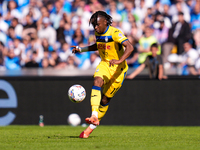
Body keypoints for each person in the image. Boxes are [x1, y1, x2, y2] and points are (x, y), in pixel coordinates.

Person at [72, 11, 133, 138]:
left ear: (105, 22)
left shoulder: (115, 33)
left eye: (97, 24)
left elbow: (130, 47)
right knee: (97, 81)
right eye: (94, 25)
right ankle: (94, 114)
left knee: (105, 99)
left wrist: (119, 60)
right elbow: (98, 45)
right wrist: (81, 49)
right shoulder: (97, 32)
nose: (95, 27)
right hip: (105, 64)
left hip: (119, 69)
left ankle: (90, 128)